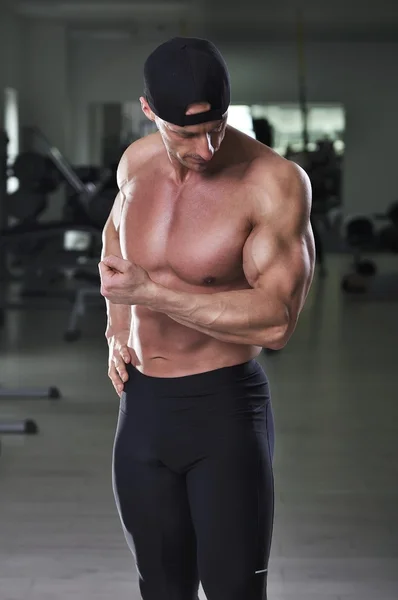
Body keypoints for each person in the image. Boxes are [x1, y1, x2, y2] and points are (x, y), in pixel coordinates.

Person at [98, 37, 315, 600]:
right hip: (143, 409)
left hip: (223, 412)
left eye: (217, 124)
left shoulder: (273, 183)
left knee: (233, 590)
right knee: (161, 587)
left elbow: (277, 322)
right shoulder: (135, 164)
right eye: (187, 132)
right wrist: (118, 328)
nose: (207, 146)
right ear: (150, 112)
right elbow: (114, 240)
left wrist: (157, 295)